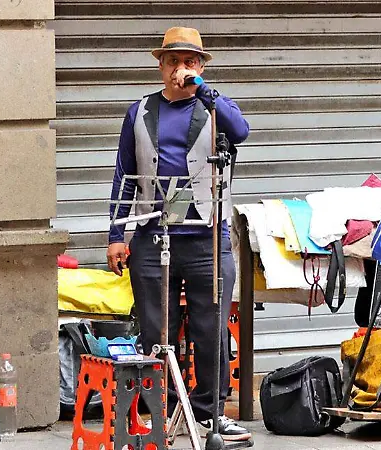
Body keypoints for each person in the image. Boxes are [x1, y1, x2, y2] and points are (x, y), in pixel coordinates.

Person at [106, 27, 251, 441]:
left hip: (207, 235)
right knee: (155, 331)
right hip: (152, 236)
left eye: (190, 62)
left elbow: (242, 132)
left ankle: (210, 414)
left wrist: (206, 91)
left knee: (211, 330)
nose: (180, 70)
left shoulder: (215, 107)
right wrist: (118, 234)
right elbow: (123, 175)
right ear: (160, 66)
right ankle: (160, 413)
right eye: (173, 62)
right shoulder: (139, 112)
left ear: (201, 67)